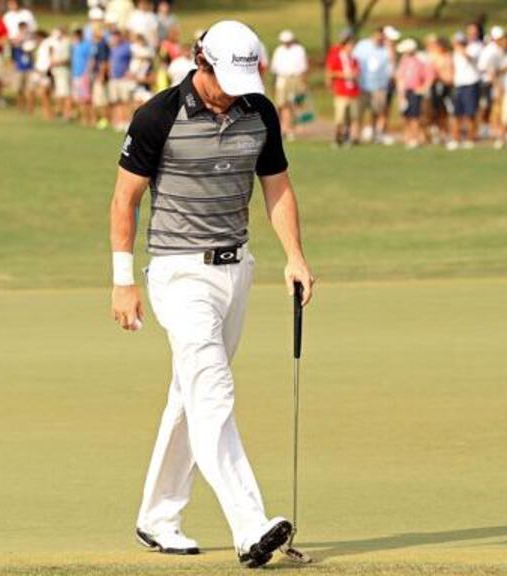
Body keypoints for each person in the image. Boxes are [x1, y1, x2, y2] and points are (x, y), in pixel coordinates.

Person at [110, 19, 314, 569]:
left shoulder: (259, 110)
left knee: (191, 396)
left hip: (236, 269)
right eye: (225, 78)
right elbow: (125, 200)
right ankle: (251, 525)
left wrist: (294, 255)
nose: (233, 91)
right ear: (200, 63)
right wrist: (123, 278)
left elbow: (277, 186)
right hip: (178, 272)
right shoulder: (157, 115)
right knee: (214, 390)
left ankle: (157, 517)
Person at [352, 27, 393, 144]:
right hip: (363, 85)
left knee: (376, 111)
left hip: (379, 86)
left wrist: (390, 48)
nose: (380, 39)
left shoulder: (386, 48)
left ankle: (374, 134)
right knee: (359, 112)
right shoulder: (363, 45)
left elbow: (390, 65)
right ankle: (356, 135)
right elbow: (354, 60)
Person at [270, 30, 309, 141]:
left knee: (293, 105)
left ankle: (290, 129)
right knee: (282, 105)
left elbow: (303, 68)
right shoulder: (279, 50)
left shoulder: (299, 50)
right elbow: (275, 69)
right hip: (282, 78)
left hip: (294, 78)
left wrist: (303, 83)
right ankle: (284, 129)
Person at [395, 38, 433, 149]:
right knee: (406, 116)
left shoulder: (420, 62)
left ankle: (415, 138)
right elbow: (400, 77)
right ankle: (408, 137)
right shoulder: (403, 62)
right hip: (404, 92)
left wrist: (423, 88)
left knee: (415, 116)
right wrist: (400, 92)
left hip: (415, 92)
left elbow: (429, 77)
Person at [325, 29, 360, 147]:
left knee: (351, 117)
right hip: (341, 91)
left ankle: (347, 138)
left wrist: (355, 74)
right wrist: (344, 75)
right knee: (339, 118)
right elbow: (330, 72)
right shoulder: (336, 55)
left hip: (353, 92)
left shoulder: (354, 59)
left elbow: (357, 71)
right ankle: (337, 138)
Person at [448, 32, 481, 149]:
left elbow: (472, 58)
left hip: (470, 84)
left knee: (470, 114)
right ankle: (456, 139)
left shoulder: (472, 49)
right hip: (458, 85)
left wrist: (462, 50)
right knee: (456, 114)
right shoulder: (454, 54)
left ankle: (470, 139)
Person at [477, 26, 507, 141]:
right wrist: (496, 84)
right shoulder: (492, 50)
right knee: (488, 107)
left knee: (495, 107)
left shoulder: (497, 50)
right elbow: (486, 68)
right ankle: (488, 129)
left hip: (493, 82)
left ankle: (493, 130)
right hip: (488, 83)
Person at [108, 30, 134, 131]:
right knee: (116, 101)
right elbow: (111, 62)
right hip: (114, 79)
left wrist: (129, 71)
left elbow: (133, 60)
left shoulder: (126, 47)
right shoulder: (113, 48)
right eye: (113, 37)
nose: (114, 39)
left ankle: (126, 122)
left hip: (123, 79)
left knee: (125, 101)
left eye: (116, 37)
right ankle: (118, 122)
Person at [70, 27, 94, 125]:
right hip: (75, 74)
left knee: (86, 99)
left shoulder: (86, 45)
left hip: (84, 75)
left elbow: (90, 59)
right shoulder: (74, 46)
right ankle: (83, 118)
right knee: (79, 99)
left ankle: (90, 119)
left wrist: (87, 72)